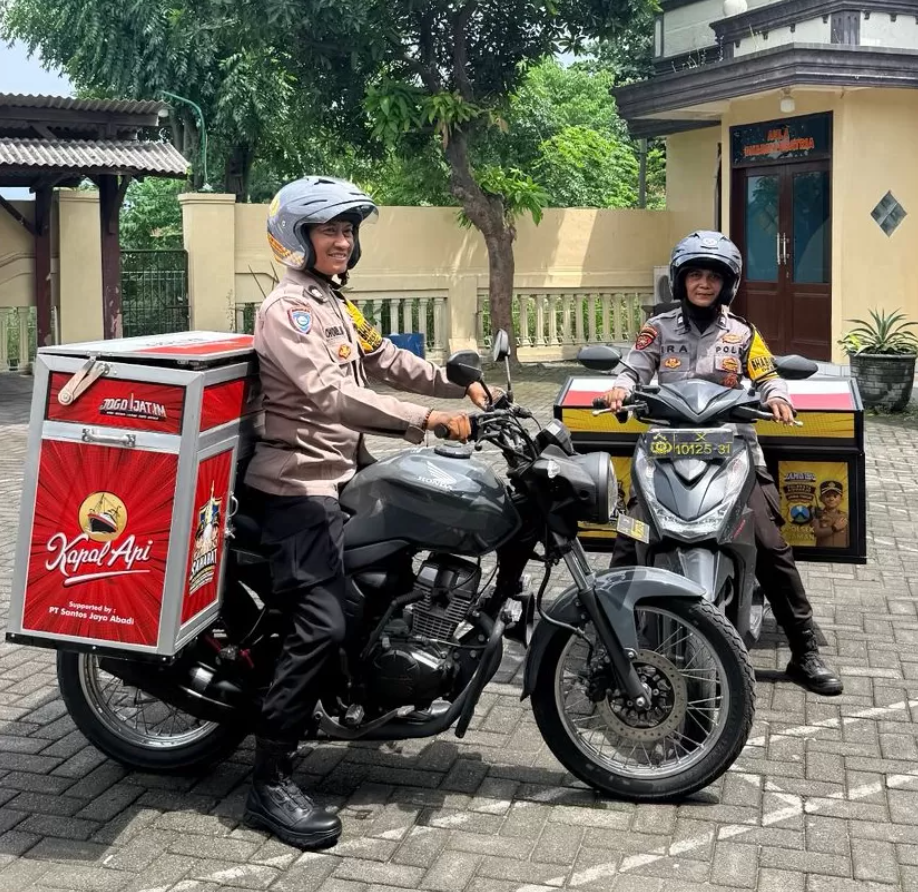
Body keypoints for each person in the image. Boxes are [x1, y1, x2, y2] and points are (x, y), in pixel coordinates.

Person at [240, 176, 484, 850]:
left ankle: (370, 682)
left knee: (404, 552)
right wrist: (427, 419)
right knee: (326, 618)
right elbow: (327, 396)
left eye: (349, 231)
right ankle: (270, 779)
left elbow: (383, 360)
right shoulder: (287, 310)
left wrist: (460, 383)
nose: (343, 241)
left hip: (343, 472)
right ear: (299, 236)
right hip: (295, 486)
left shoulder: (334, 304)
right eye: (330, 231)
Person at [599, 230, 843, 698]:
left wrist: (777, 399)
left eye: (713, 276)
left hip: (733, 452)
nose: (704, 284)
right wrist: (619, 388)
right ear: (681, 280)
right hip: (666, 451)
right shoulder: (659, 329)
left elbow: (767, 375)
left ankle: (805, 648)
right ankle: (609, 641)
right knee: (630, 536)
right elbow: (633, 368)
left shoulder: (742, 334)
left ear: (726, 284)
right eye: (696, 275)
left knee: (771, 543)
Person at [811, 480, 849, 548]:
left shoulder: (845, 516)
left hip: (841, 554)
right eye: (827, 496)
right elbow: (815, 533)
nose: (831, 499)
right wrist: (834, 528)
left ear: (841, 499)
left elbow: (849, 538)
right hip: (823, 554)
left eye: (835, 496)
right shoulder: (816, 514)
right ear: (820, 498)